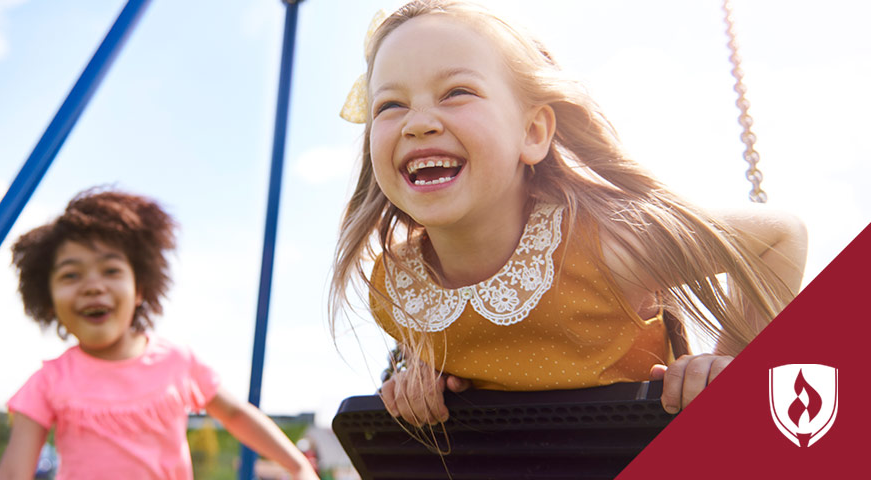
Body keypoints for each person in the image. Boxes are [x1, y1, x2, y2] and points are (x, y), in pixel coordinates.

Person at [329, 0, 808, 428]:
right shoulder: (398, 287)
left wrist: (731, 364)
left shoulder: (607, 245)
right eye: (390, 105)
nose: (419, 122)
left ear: (533, 131)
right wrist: (418, 384)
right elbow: (460, 363)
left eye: (456, 92)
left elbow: (781, 235)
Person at [0, 188, 318, 479]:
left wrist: (297, 464)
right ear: (48, 299)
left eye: (111, 270)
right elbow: (13, 472)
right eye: (71, 275)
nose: (93, 286)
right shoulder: (48, 381)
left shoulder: (176, 361)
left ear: (139, 289)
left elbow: (236, 414)